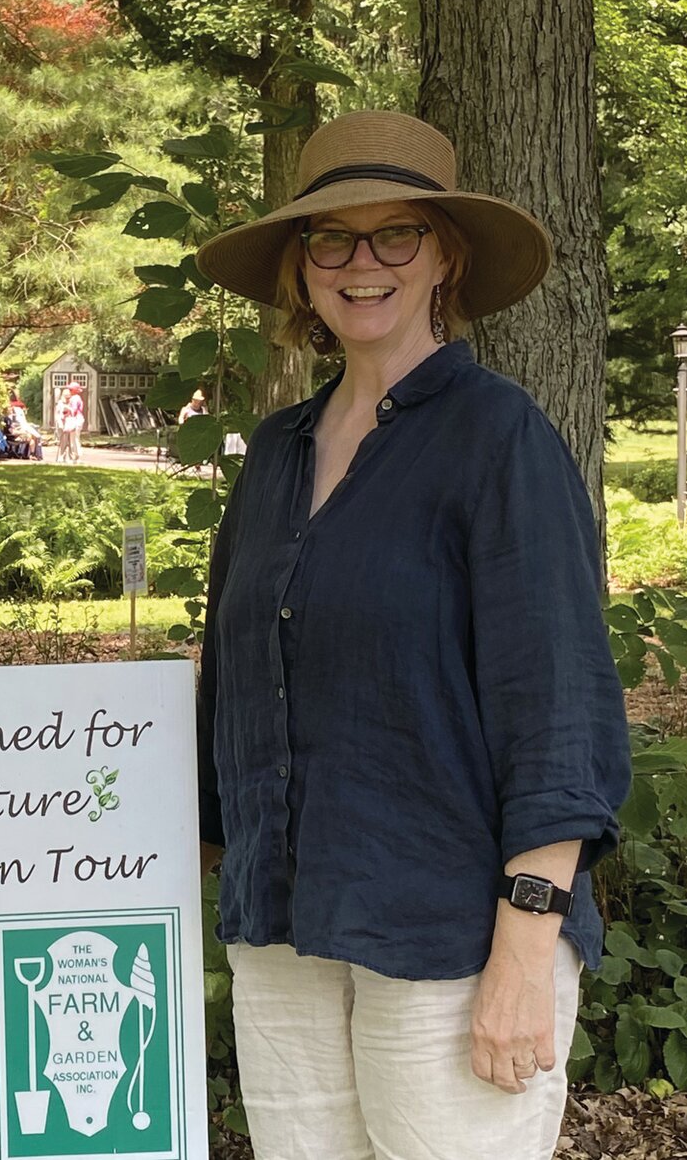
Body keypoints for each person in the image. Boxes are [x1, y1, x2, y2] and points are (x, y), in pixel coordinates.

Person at [193, 110, 630, 1160]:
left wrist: (526, 946)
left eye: (395, 234)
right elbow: (233, 694)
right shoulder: (276, 456)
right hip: (288, 934)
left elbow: (556, 703)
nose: (362, 262)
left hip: (451, 937)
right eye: (331, 238)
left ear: (443, 255)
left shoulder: (497, 438)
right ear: (299, 270)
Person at [6, 393, 44, 460]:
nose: (11, 408)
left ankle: (32, 454)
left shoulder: (17, 411)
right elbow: (11, 430)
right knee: (30, 436)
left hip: (19, 430)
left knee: (33, 437)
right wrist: (21, 431)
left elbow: (23, 422)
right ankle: (30, 454)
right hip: (13, 433)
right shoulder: (7, 416)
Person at [60, 382, 85, 463]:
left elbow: (73, 411)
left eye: (71, 389)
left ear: (74, 390)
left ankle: (77, 457)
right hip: (77, 419)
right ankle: (76, 457)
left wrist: (66, 407)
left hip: (75, 420)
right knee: (74, 439)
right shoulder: (77, 398)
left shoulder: (74, 398)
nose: (69, 390)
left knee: (74, 439)